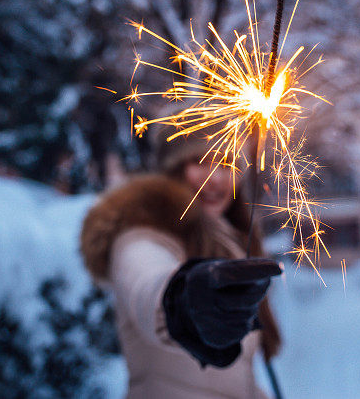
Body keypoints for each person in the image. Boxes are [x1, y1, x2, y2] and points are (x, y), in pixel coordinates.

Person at [80, 128, 282, 399]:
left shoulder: (232, 241)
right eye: (199, 162)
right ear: (172, 170)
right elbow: (146, 282)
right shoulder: (140, 233)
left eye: (225, 164)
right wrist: (182, 300)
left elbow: (229, 383)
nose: (215, 178)